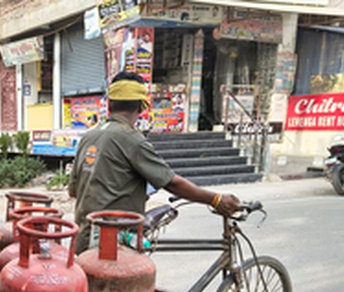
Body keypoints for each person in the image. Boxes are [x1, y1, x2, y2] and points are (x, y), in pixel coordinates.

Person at [69, 71, 241, 253]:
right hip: (112, 245)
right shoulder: (132, 139)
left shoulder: (88, 137)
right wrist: (215, 199)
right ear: (141, 107)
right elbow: (172, 183)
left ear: (109, 104)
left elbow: (73, 190)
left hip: (83, 238)